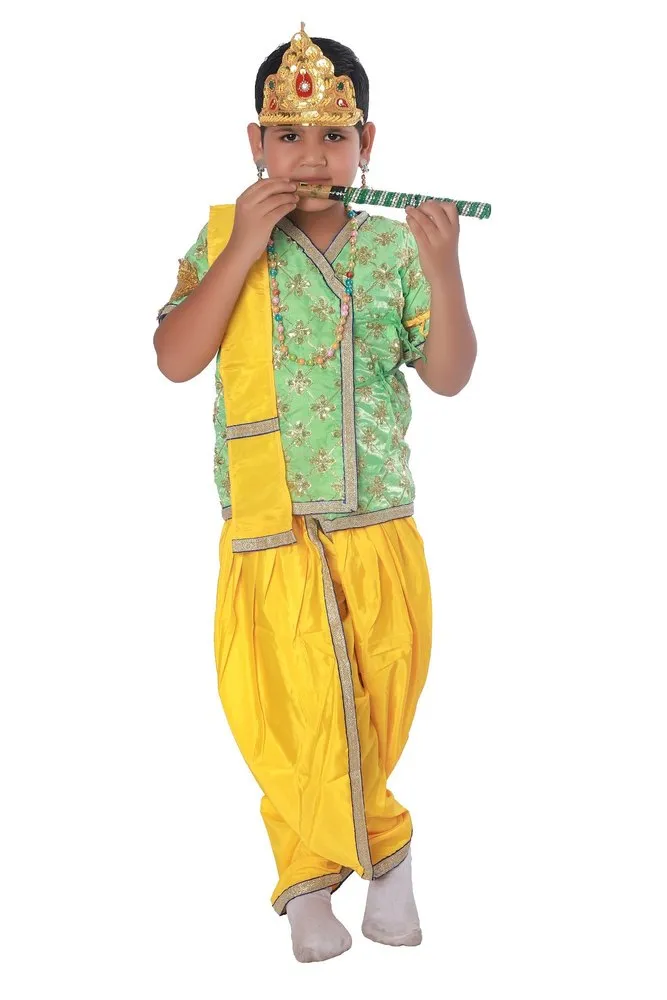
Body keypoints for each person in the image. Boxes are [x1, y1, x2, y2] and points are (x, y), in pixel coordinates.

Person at [153, 22, 477, 963]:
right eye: (287, 135)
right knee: (286, 713)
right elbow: (175, 359)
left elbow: (449, 376)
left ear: (365, 145)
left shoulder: (392, 252)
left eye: (333, 136)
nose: (309, 156)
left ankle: (355, 860)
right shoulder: (223, 240)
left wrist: (444, 266)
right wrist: (242, 251)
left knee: (374, 705)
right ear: (254, 143)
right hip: (269, 528)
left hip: (377, 523)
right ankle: (348, 869)